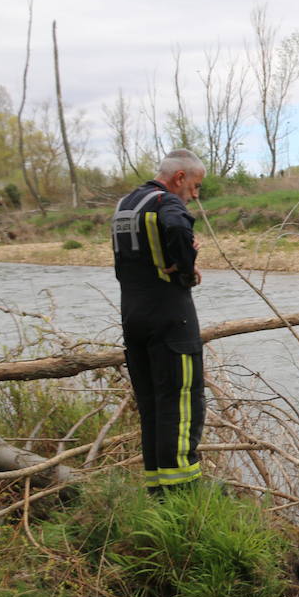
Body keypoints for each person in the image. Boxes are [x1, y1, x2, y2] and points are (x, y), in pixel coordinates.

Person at [111, 149, 207, 495]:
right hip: (171, 322)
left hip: (133, 320)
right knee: (182, 405)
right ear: (179, 178)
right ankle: (182, 496)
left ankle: (157, 492)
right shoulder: (167, 202)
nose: (195, 195)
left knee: (151, 408)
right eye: (195, 186)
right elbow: (179, 229)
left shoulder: (125, 204)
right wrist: (186, 267)